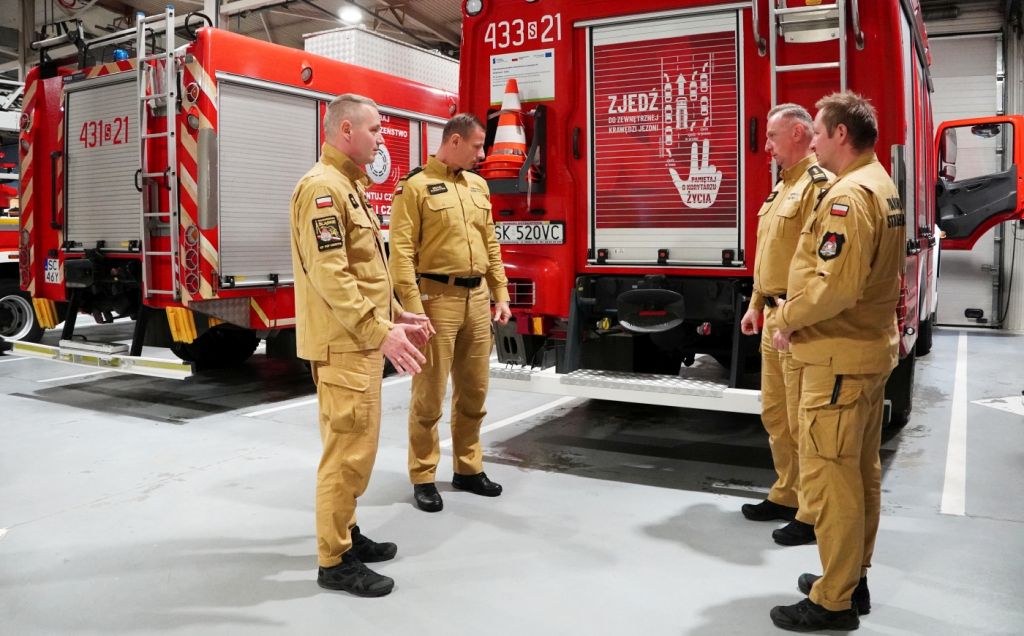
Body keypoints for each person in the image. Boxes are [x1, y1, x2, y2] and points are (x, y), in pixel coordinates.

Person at [765, 92, 906, 631]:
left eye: (820, 133)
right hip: (864, 352)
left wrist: (785, 318)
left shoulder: (848, 195)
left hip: (837, 358)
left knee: (831, 481)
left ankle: (834, 601)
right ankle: (852, 578)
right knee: (860, 475)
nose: (815, 143)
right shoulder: (880, 184)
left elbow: (834, 288)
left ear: (841, 135)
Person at [290, 93, 433, 597]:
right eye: (374, 129)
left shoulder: (347, 185)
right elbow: (332, 277)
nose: (381, 138)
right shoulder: (323, 189)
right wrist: (380, 331)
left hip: (357, 340)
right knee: (347, 455)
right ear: (345, 130)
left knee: (356, 449)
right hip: (345, 345)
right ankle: (334, 562)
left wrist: (396, 314)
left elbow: (364, 272)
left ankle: (346, 535)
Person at [388, 113, 512, 513]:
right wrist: (412, 309)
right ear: (454, 141)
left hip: (477, 300)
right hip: (435, 301)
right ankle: (423, 476)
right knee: (429, 396)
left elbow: (490, 243)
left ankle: (468, 468)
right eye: (477, 146)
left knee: (474, 392)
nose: (482, 154)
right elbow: (400, 254)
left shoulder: (478, 186)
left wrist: (500, 293)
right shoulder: (415, 187)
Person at [740, 104, 831, 547]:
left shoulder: (818, 187)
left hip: (797, 320)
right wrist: (756, 304)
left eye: (772, 137)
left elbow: (821, 264)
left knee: (802, 421)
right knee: (776, 414)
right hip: (774, 315)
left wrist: (795, 318)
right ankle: (787, 493)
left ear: (798, 133)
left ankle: (811, 513)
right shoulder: (783, 187)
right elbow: (771, 255)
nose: (767, 146)